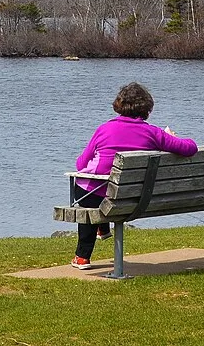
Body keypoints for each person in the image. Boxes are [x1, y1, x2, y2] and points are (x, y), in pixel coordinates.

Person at [69, 81, 197, 269]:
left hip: (96, 193)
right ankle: (102, 228)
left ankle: (83, 257)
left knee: (87, 193)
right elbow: (191, 148)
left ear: (119, 105)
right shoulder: (153, 133)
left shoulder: (104, 129)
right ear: (146, 108)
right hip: (130, 195)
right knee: (107, 193)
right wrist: (173, 137)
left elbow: (81, 164)